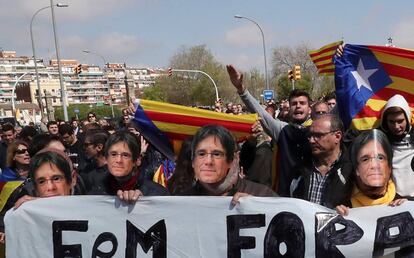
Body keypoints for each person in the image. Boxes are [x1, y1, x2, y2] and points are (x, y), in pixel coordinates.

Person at [227, 64, 311, 196]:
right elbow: (261, 113)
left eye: (302, 103)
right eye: (294, 104)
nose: (298, 106)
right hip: (284, 196)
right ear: (289, 108)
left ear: (309, 108)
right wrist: (241, 89)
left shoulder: (319, 130)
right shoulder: (282, 130)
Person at [182, 125, 276, 199]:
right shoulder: (182, 202)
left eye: (217, 154)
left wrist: (259, 211)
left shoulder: (262, 195)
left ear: (233, 160)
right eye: (201, 154)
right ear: (193, 161)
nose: (208, 161)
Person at [336, 130, 406, 216]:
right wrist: (337, 219)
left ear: (389, 168)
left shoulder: (402, 206)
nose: (374, 165)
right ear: (356, 169)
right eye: (365, 159)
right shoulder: (343, 207)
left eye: (380, 158)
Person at [291, 115, 353, 209]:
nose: (312, 141)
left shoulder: (351, 171)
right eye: (310, 135)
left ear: (337, 136)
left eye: (318, 135)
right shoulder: (300, 167)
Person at [87, 131, 168, 201]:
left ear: (137, 160)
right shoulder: (95, 192)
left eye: (125, 155)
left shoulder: (158, 194)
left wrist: (145, 203)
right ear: (106, 158)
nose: (118, 160)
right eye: (113, 154)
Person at [380, 94, 414, 199]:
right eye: (391, 122)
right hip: (393, 200)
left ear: (407, 118)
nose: (396, 127)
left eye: (400, 121)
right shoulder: (380, 140)